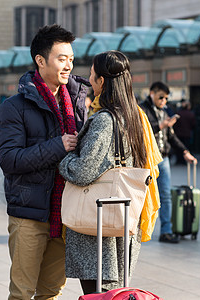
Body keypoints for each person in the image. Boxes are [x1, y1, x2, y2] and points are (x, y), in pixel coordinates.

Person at [0, 24, 90, 299]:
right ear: (40, 60)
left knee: (50, 292)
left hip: (66, 215)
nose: (68, 66)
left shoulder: (79, 102)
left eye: (71, 59)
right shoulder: (14, 107)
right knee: (23, 293)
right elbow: (10, 160)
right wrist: (56, 146)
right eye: (62, 59)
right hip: (29, 215)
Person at [59, 50, 162, 294]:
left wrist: (65, 159)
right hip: (123, 221)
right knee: (115, 294)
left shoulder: (106, 120)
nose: (90, 80)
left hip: (100, 233)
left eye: (92, 75)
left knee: (100, 295)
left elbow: (84, 171)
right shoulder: (136, 116)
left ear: (102, 81)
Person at [139, 82, 197, 243]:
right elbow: (142, 130)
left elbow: (171, 136)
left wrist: (185, 152)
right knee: (143, 197)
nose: (164, 100)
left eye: (166, 98)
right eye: (161, 97)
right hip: (148, 160)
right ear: (152, 93)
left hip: (164, 159)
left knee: (165, 196)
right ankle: (138, 231)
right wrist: (162, 125)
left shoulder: (164, 111)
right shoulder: (142, 110)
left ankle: (166, 231)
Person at [173, 100, 196, 165]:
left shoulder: (178, 113)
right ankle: (185, 160)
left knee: (179, 147)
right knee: (186, 146)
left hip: (179, 133)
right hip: (187, 133)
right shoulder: (191, 114)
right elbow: (193, 124)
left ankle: (179, 160)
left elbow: (175, 124)